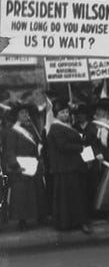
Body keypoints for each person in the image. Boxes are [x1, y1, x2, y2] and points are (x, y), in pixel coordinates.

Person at [46, 100, 93, 233]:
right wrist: (80, 147)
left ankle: (76, 221)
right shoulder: (56, 128)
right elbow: (62, 146)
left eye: (67, 112)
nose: (65, 114)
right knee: (70, 196)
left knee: (75, 195)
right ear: (56, 115)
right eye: (62, 112)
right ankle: (70, 222)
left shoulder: (66, 126)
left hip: (72, 165)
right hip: (65, 166)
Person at [4, 103, 46, 231]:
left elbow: (36, 144)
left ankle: (40, 216)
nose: (25, 115)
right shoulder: (12, 131)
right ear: (17, 116)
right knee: (22, 195)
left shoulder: (32, 129)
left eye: (27, 113)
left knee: (37, 191)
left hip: (33, 163)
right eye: (22, 113)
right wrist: (15, 165)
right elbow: (9, 150)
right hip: (20, 165)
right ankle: (22, 220)